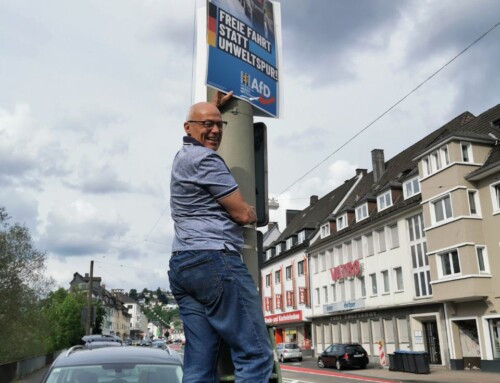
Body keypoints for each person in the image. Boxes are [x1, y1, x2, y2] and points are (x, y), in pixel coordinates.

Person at [168, 93, 274, 383]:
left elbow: (200, 121)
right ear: (187, 127)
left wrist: (210, 105)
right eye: (207, 124)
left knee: (199, 365)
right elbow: (240, 214)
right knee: (255, 354)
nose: (215, 130)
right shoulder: (207, 160)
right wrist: (251, 212)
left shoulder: (182, 156)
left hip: (183, 266)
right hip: (215, 259)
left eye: (219, 124)